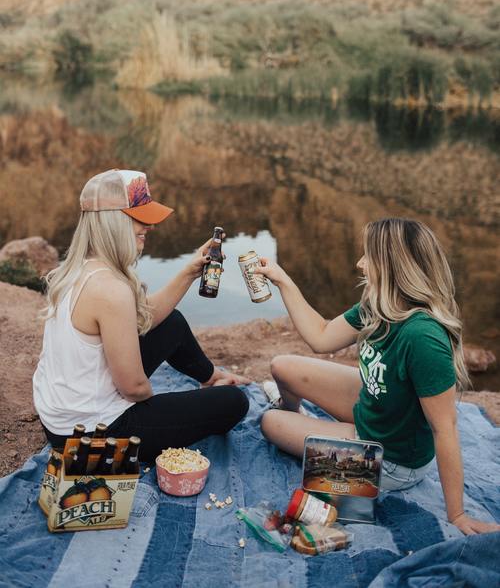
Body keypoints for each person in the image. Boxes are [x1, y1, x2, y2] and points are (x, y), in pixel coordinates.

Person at [256, 218, 500, 536]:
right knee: (281, 366)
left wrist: (457, 514)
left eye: (368, 257)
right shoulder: (379, 304)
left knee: (269, 423)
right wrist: (282, 280)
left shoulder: (423, 337)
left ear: (392, 267)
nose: (360, 264)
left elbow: (446, 428)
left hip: (393, 457)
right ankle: (301, 422)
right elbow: (321, 336)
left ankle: (303, 428)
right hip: (376, 406)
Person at [33, 169, 249, 463]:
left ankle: (210, 378)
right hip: (91, 434)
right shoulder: (110, 289)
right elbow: (134, 388)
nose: (150, 226)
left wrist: (188, 272)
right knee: (234, 402)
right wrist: (164, 406)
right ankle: (214, 389)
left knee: (171, 322)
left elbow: (142, 317)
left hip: (63, 415)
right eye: (140, 218)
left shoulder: (82, 268)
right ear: (113, 222)